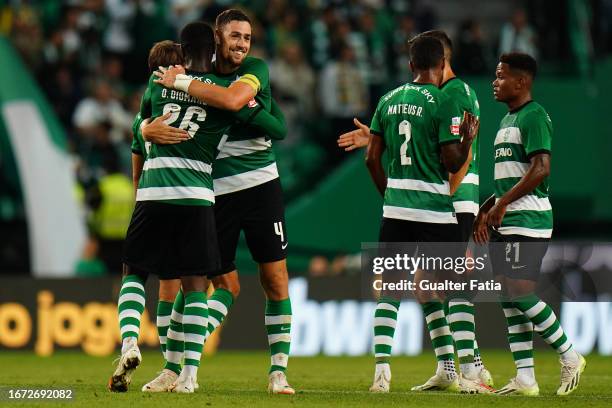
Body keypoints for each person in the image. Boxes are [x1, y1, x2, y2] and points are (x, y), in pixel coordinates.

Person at [108, 22, 286, 394]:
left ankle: (129, 342)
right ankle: (186, 373)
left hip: (157, 192)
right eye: (233, 37)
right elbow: (273, 125)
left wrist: (143, 130)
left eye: (246, 38)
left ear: (183, 51)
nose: (241, 45)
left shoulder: (160, 82)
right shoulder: (220, 95)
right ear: (216, 44)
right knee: (194, 285)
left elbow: (140, 126)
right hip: (200, 195)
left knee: (135, 273)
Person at [337, 30, 492, 392]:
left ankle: (470, 365)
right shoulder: (440, 97)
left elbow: (460, 161)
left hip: (448, 198)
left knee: (425, 285)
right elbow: (441, 149)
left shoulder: (447, 94)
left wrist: (400, 194)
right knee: (431, 286)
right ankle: (451, 367)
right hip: (435, 202)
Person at [474, 52, 586, 396]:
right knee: (508, 297)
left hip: (529, 218)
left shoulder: (534, 116)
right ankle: (525, 378)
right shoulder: (508, 120)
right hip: (508, 217)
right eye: (495, 76)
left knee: (519, 292)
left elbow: (541, 169)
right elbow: (508, 181)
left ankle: (569, 354)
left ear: (521, 81)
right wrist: (486, 209)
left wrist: (503, 203)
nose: (495, 82)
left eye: (501, 76)